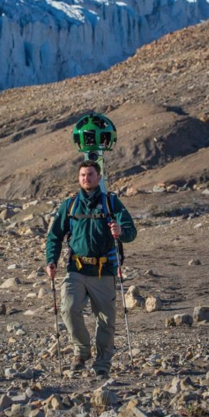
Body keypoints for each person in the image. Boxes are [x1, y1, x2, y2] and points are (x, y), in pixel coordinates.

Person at [45, 160, 137, 377]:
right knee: (68, 308)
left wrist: (120, 230)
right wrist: (51, 261)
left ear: (99, 177)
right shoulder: (69, 205)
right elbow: (54, 236)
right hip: (76, 268)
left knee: (106, 320)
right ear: (79, 178)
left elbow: (131, 232)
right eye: (83, 175)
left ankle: (103, 363)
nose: (86, 178)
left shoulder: (111, 203)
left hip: (103, 271)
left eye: (90, 174)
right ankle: (82, 349)